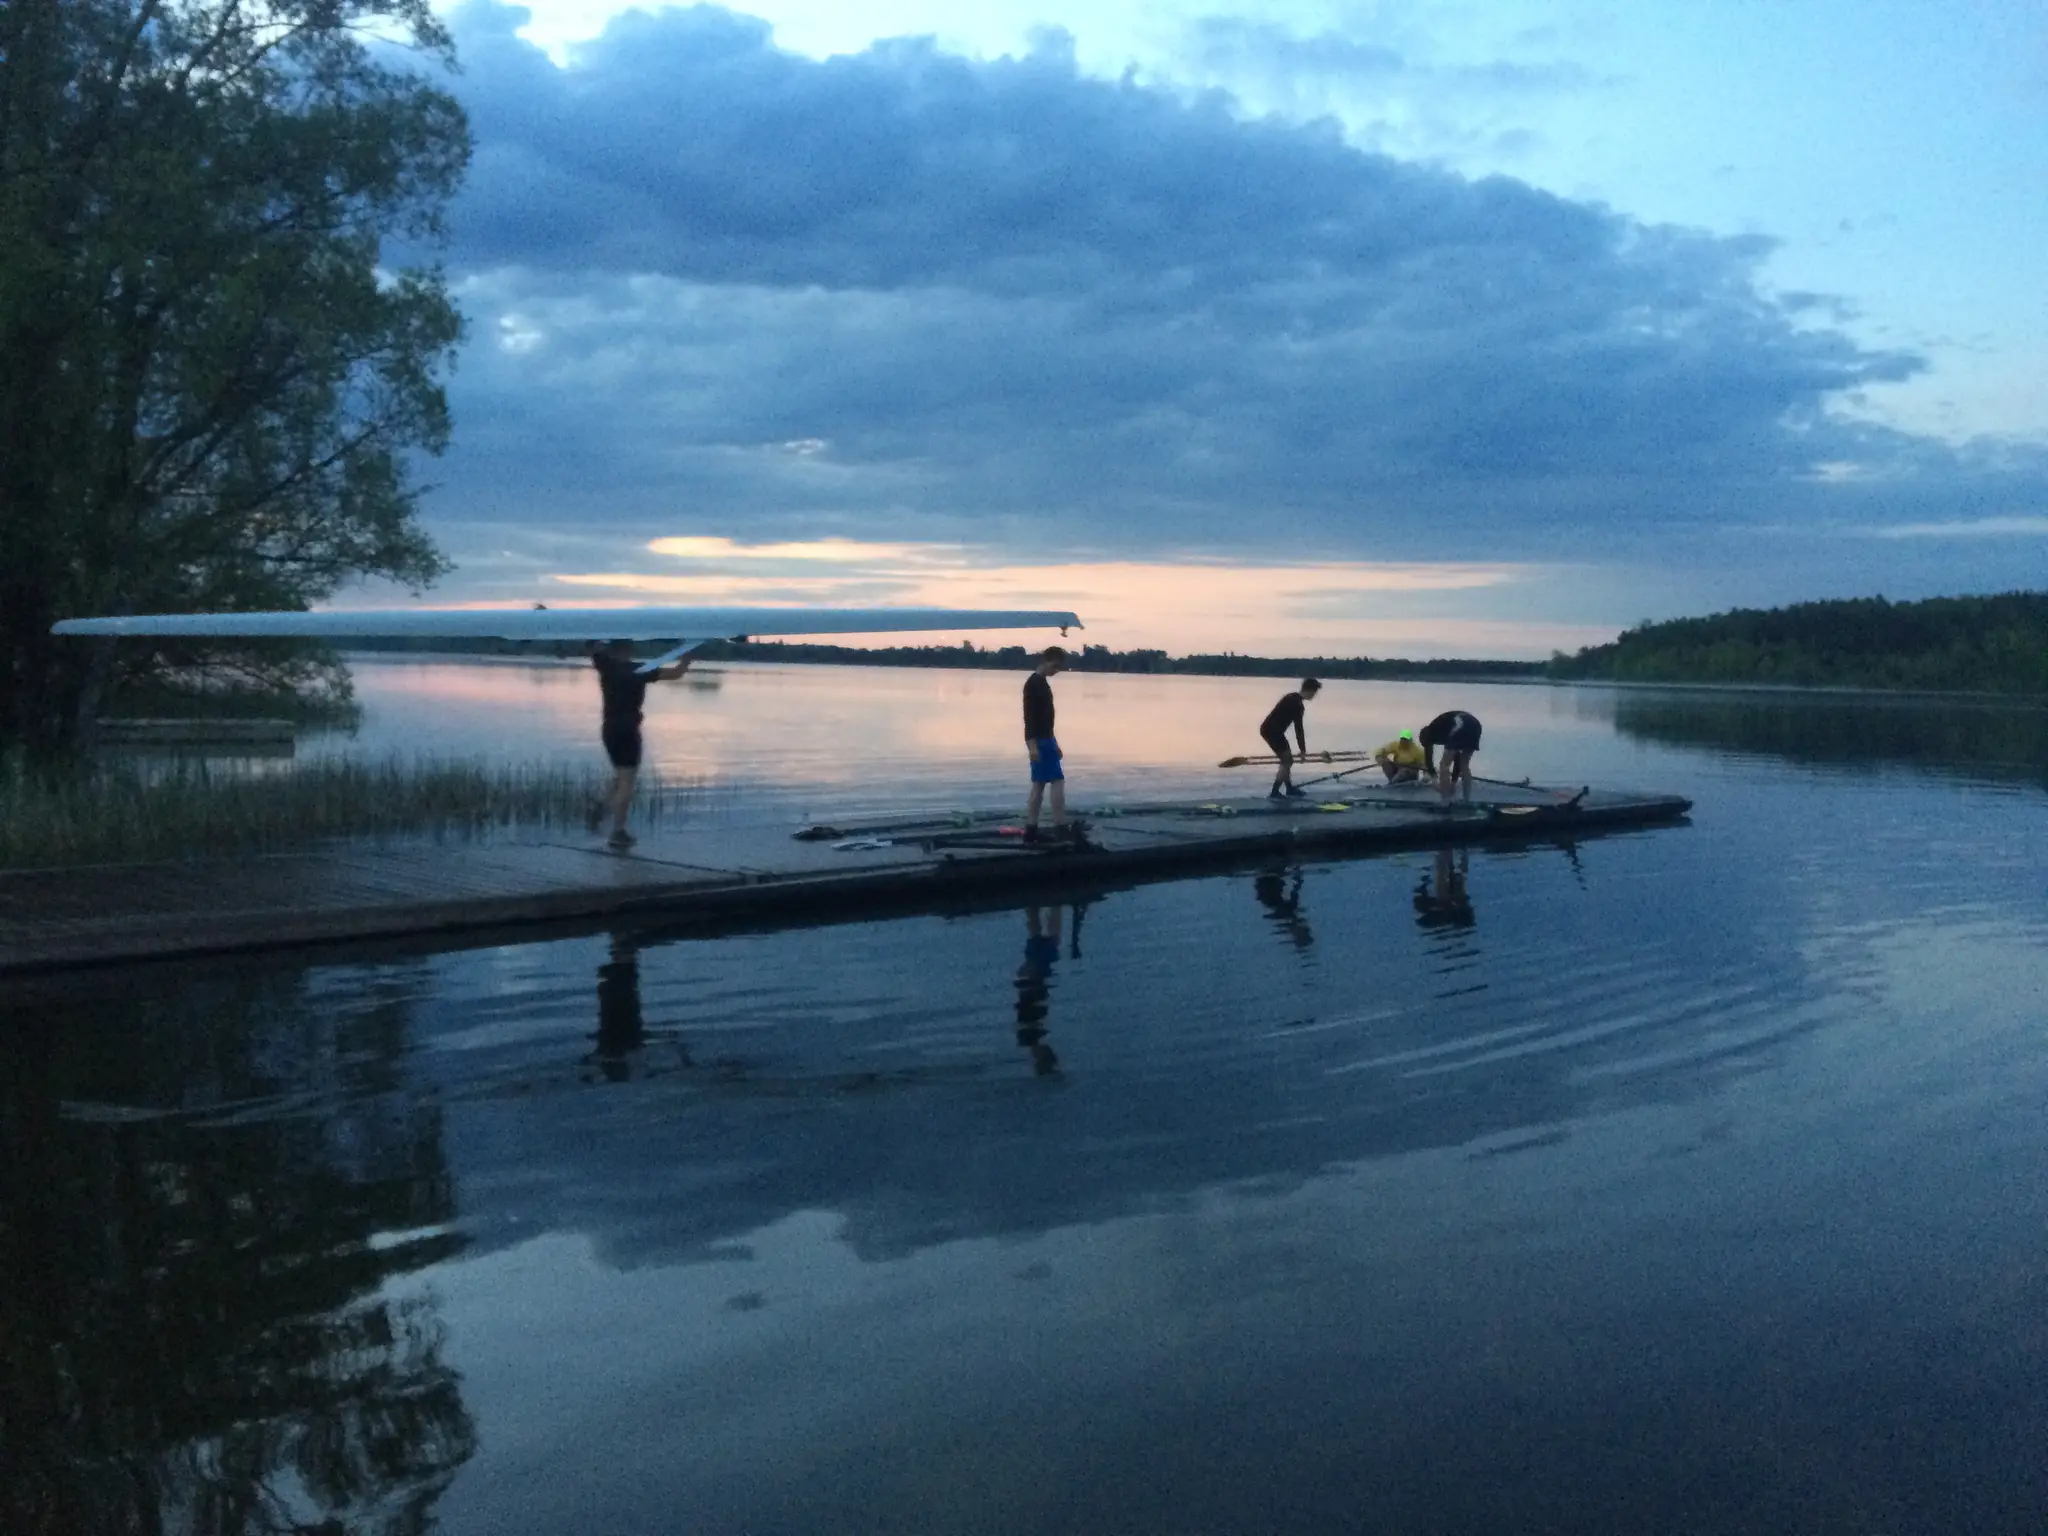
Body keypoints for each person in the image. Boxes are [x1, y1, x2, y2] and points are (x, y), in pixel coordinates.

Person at [587, 640, 693, 849]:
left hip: (609, 729)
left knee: (620, 775)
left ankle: (600, 808)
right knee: (627, 780)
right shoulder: (640, 669)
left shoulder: (604, 665)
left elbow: (590, 646)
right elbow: (677, 674)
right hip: (628, 730)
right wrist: (687, 656)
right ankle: (618, 832)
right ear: (628, 650)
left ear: (612, 649)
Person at [1022, 646, 1072, 843]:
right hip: (1040, 741)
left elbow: (1046, 719)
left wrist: (1054, 742)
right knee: (1057, 781)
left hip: (1046, 739)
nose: (1057, 671)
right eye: (1056, 666)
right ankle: (1060, 825)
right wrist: (1032, 745)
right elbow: (1029, 717)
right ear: (1047, 661)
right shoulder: (1033, 684)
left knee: (1039, 785)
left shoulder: (1042, 683)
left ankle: (1031, 829)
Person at [1259, 677, 1322, 798]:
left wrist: (1302, 749)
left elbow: (1297, 729)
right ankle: (1275, 792)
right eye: (1314, 693)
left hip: (1273, 730)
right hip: (1272, 731)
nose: (1314, 696)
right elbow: (1299, 729)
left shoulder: (1292, 697)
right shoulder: (1297, 704)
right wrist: (1303, 750)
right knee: (1287, 761)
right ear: (1309, 691)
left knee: (1287, 760)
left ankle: (1288, 788)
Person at [1417, 709, 1483, 803]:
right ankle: (1466, 799)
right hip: (1475, 726)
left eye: (1428, 745)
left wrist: (1439, 781)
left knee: (1444, 765)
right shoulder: (1437, 730)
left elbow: (1453, 759)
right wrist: (1452, 782)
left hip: (1461, 724)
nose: (1429, 748)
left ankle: (1446, 799)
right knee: (1464, 765)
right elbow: (1457, 760)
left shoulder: (1436, 729)